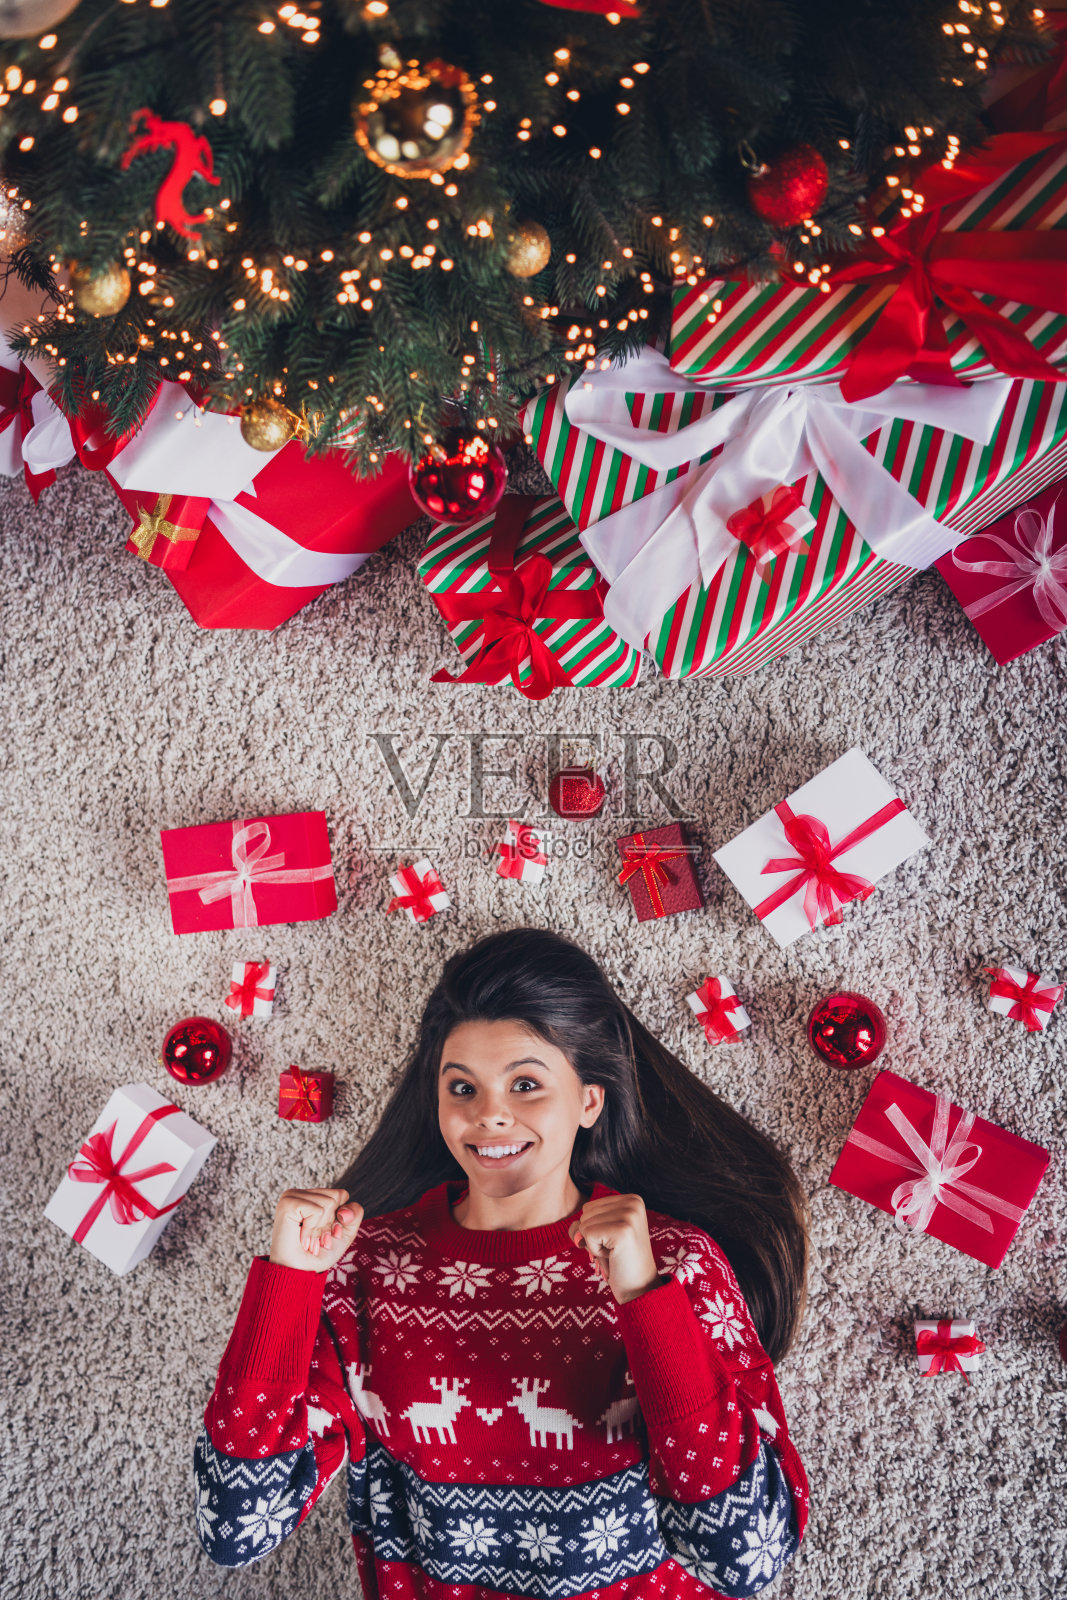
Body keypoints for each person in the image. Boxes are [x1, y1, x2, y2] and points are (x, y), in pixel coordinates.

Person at [194, 928, 810, 1597]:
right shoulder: (362, 1272)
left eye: (524, 1084)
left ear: (589, 1101)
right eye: (462, 1088)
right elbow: (234, 1527)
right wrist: (287, 1284)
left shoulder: (677, 1265)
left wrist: (644, 1299)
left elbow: (743, 1559)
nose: (489, 1116)